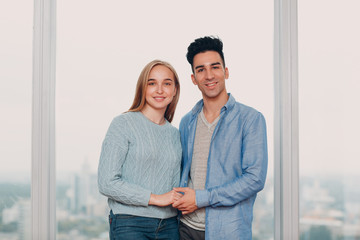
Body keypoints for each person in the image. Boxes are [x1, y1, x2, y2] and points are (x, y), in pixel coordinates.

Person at [172, 36, 268, 240]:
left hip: (228, 232)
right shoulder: (186, 122)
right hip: (185, 228)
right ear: (193, 78)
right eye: (200, 70)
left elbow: (254, 179)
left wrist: (201, 198)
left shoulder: (251, 119)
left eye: (215, 67)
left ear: (226, 71)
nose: (209, 75)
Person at [98, 59, 182, 240]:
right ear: (143, 88)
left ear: (174, 90)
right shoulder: (123, 124)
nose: (160, 90)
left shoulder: (176, 135)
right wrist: (156, 198)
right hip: (130, 222)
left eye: (167, 83)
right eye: (152, 83)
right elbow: (106, 182)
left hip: (171, 225)